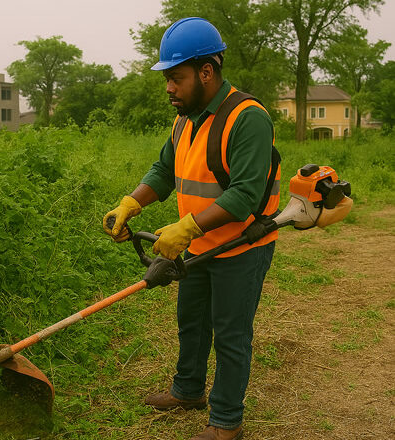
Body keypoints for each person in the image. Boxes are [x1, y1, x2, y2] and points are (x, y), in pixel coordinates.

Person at [103, 17, 280, 440]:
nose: (169, 88)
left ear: (207, 71)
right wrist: (132, 202)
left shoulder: (247, 118)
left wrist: (186, 227)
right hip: (198, 245)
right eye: (167, 78)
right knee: (192, 320)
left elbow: (245, 195)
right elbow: (165, 170)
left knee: (231, 334)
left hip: (240, 247)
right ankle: (187, 392)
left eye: (176, 77)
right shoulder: (185, 118)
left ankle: (225, 422)